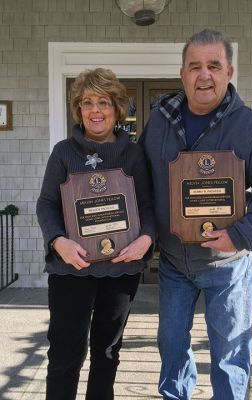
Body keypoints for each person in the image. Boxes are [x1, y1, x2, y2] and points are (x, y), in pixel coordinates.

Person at [139, 29, 252, 400]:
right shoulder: (159, 121)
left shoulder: (250, 127)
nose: (203, 75)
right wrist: (147, 231)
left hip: (228, 264)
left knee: (229, 354)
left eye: (213, 65)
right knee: (172, 348)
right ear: (182, 74)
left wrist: (240, 235)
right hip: (174, 262)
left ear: (229, 72)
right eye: (194, 66)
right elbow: (141, 181)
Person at [36, 67, 155, 400]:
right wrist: (59, 241)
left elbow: (148, 206)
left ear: (116, 108)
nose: (95, 110)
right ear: (79, 108)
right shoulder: (63, 152)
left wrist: (145, 240)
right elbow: (46, 204)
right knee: (63, 356)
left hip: (120, 269)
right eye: (87, 102)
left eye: (103, 102)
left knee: (107, 353)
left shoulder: (133, 155)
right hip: (72, 268)